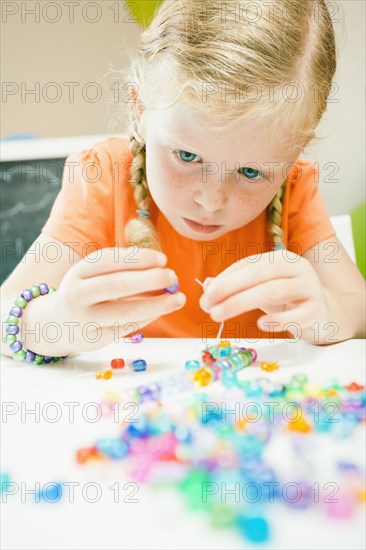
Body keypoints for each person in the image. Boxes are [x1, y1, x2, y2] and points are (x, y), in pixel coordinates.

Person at [1, 0, 365, 363]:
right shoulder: (102, 176)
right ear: (139, 109)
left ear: (295, 152)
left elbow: (359, 312)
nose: (211, 200)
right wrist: (57, 320)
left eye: (251, 173)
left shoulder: (295, 188)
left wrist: (328, 311)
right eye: (188, 157)